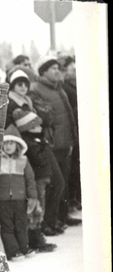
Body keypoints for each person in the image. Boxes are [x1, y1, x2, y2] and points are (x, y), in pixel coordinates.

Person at [6, 67, 65, 237]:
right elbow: (17, 129)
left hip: (39, 145)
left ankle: (49, 221)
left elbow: (44, 120)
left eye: (25, 83)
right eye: (19, 84)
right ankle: (42, 225)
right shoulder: (12, 104)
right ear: (13, 86)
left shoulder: (27, 100)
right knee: (41, 189)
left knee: (56, 183)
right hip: (29, 149)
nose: (23, 86)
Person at [29, 55, 81, 228]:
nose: (57, 71)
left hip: (65, 142)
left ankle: (63, 216)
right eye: (53, 69)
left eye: (58, 68)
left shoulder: (58, 87)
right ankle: (51, 220)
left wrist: (73, 139)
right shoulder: (36, 88)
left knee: (63, 182)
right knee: (54, 184)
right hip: (51, 143)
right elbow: (43, 116)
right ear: (43, 71)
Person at [13, 110, 57, 253]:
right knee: (37, 209)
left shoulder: (33, 142)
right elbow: (40, 160)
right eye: (38, 126)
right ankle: (36, 239)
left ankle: (37, 237)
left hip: (41, 180)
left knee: (39, 208)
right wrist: (44, 146)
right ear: (30, 128)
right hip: (37, 181)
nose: (41, 128)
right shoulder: (31, 144)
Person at [0, 126, 39, 261]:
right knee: (7, 226)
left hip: (20, 199)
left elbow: (30, 180)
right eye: (5, 143)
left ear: (18, 145)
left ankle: (24, 247)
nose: (8, 146)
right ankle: (13, 251)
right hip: (2, 200)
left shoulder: (24, 160)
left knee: (21, 225)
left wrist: (32, 197)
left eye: (11, 143)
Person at [58, 54, 81, 212]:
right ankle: (71, 202)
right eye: (70, 68)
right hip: (65, 136)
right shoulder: (64, 87)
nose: (72, 71)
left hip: (72, 134)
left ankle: (72, 200)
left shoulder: (68, 86)